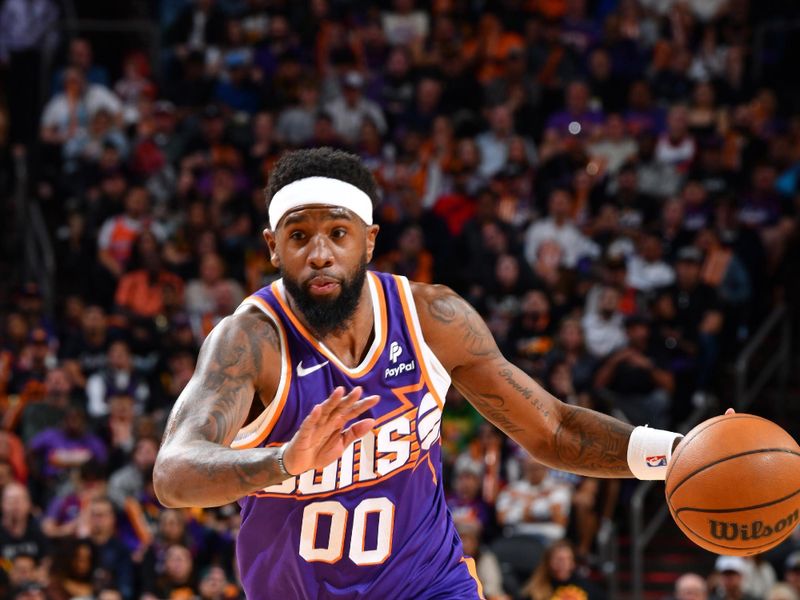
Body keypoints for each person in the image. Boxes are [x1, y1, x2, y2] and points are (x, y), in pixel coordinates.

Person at [154, 148, 702, 599]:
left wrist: (676, 454)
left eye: (338, 234)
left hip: (429, 585)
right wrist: (283, 462)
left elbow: (552, 430)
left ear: (368, 240)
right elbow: (173, 472)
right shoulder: (250, 341)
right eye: (299, 237)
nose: (319, 253)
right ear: (274, 247)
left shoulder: (433, 320)